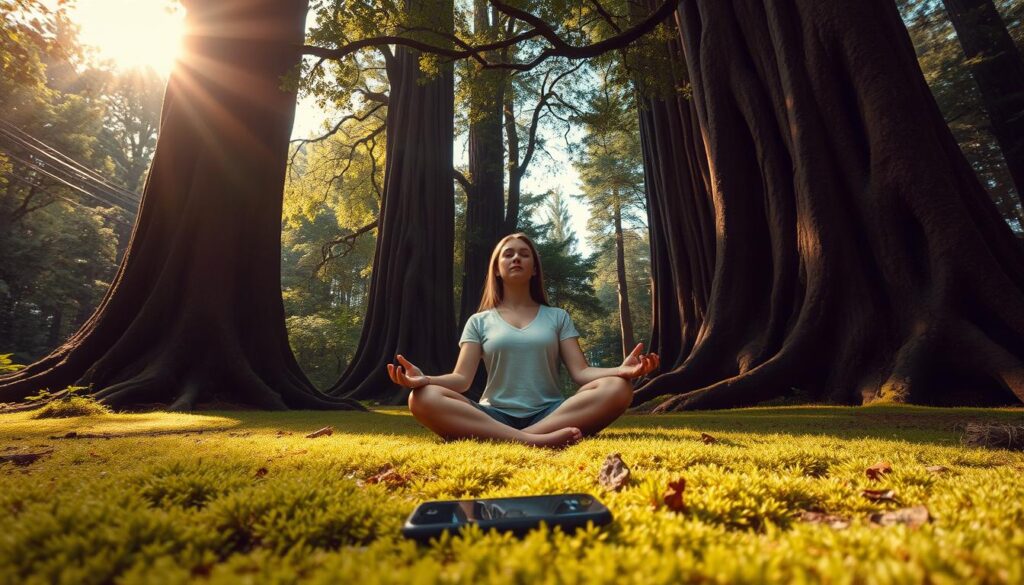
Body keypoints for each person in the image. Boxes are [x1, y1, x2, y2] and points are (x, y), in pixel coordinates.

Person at [387, 233, 659, 448]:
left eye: (524, 254)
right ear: (497, 269)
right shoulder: (479, 321)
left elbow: (581, 372)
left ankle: (514, 438)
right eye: (508, 254)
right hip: (493, 415)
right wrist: (426, 380)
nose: (516, 258)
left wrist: (620, 371)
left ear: (534, 269)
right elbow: (461, 380)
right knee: (421, 398)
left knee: (619, 388)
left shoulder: (557, 317)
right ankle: (532, 441)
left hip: (551, 413)